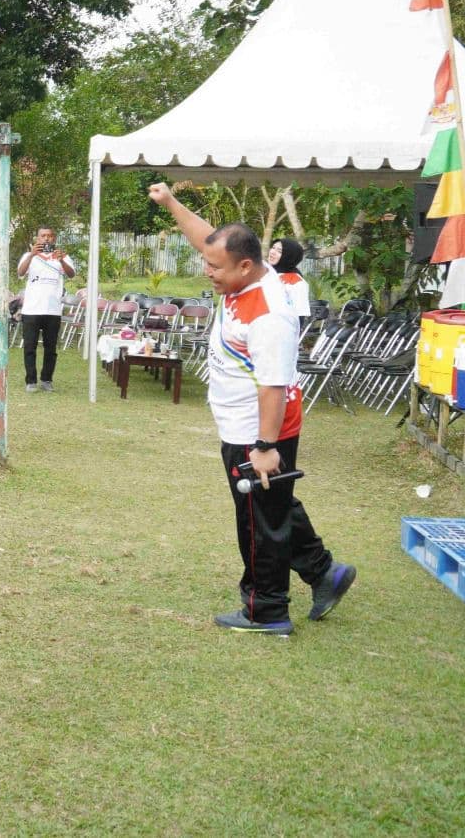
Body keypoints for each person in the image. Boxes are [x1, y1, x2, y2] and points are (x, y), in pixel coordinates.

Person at [149, 182, 356, 636]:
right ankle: (325, 572)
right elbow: (208, 239)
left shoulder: (268, 313)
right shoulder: (246, 276)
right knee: (273, 505)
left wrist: (264, 446)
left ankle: (266, 610)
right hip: (242, 423)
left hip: (259, 427)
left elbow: (274, 386)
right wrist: (170, 202)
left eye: (215, 267)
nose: (208, 272)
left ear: (245, 266)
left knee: (258, 519)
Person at [16, 226, 73, 392]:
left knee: (51, 348)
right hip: (32, 310)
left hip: (53, 310)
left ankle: (47, 379)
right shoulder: (29, 256)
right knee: (29, 347)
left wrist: (61, 260)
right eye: (43, 236)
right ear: (37, 238)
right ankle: (31, 381)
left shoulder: (62, 256)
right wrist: (32, 254)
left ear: (54, 238)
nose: (46, 239)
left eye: (49, 236)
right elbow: (20, 272)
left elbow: (71, 274)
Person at [268, 238, 313, 321]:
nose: (272, 252)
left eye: (279, 251)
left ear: (289, 256)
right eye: (273, 248)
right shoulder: (268, 274)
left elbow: (299, 316)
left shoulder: (296, 282)